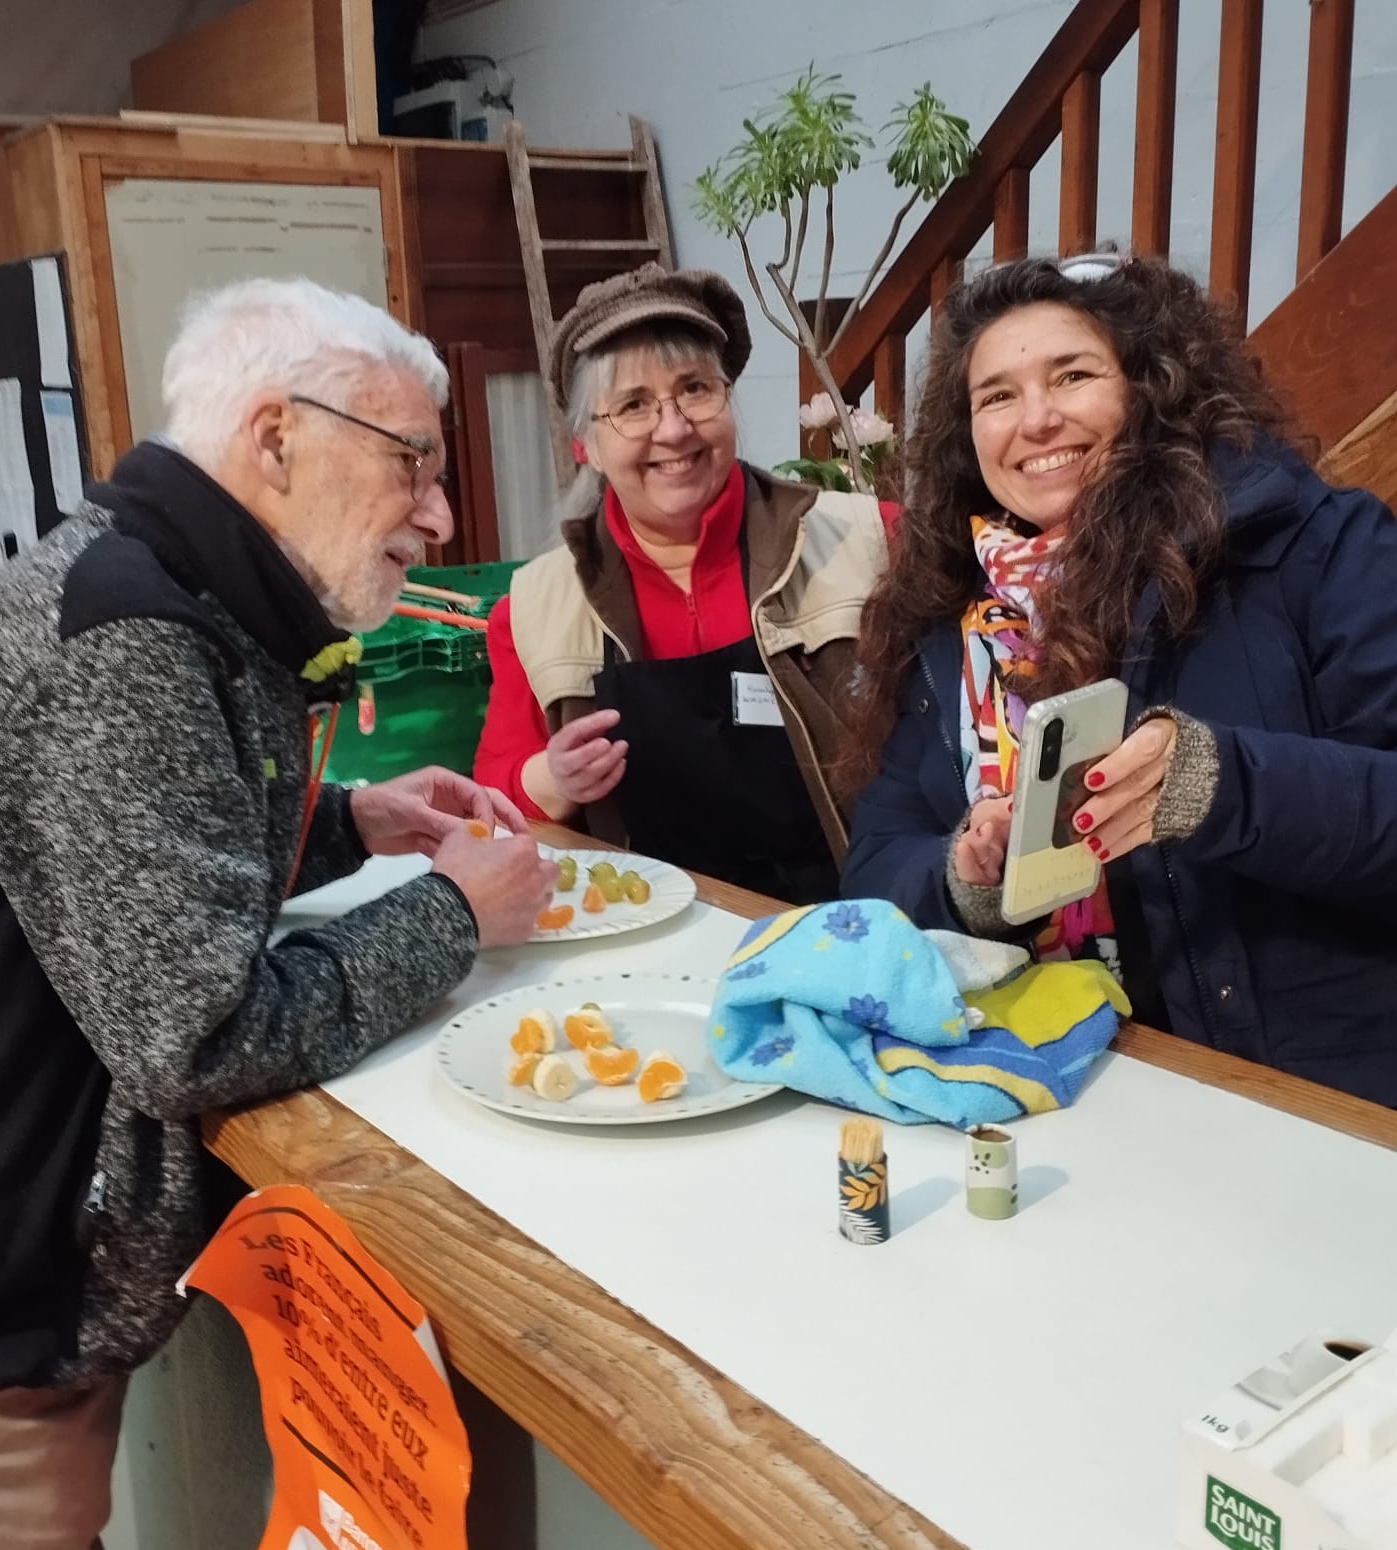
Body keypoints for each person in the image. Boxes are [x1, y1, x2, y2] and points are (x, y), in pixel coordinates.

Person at [0, 276, 553, 1550]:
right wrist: (456, 911)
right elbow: (197, 1032)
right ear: (276, 436)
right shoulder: (125, 636)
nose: (438, 515)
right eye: (415, 460)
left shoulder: (148, 584)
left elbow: (107, 862)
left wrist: (353, 824)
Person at [842, 251, 1397, 1107]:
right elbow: (878, 857)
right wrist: (965, 880)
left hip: (1313, 1100)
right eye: (996, 396)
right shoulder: (953, 621)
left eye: (1073, 375)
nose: (1036, 420)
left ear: (1149, 386)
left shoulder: (1318, 548)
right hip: (1058, 1088)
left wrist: (1218, 785)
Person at [474, 262, 891, 902]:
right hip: (652, 941)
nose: (672, 429)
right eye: (633, 405)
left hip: (858, 924)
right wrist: (550, 779)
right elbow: (491, 801)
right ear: (585, 443)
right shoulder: (534, 609)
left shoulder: (874, 541)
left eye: (695, 389)